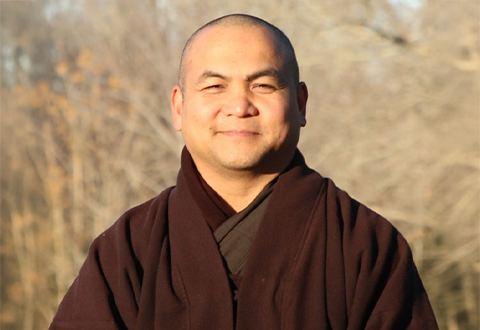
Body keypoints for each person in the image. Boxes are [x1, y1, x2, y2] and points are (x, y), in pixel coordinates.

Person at [49, 14, 438, 330]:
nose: (239, 105)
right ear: (178, 107)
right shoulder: (128, 249)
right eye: (215, 86)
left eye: (264, 85)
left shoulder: (364, 244)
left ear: (300, 103)